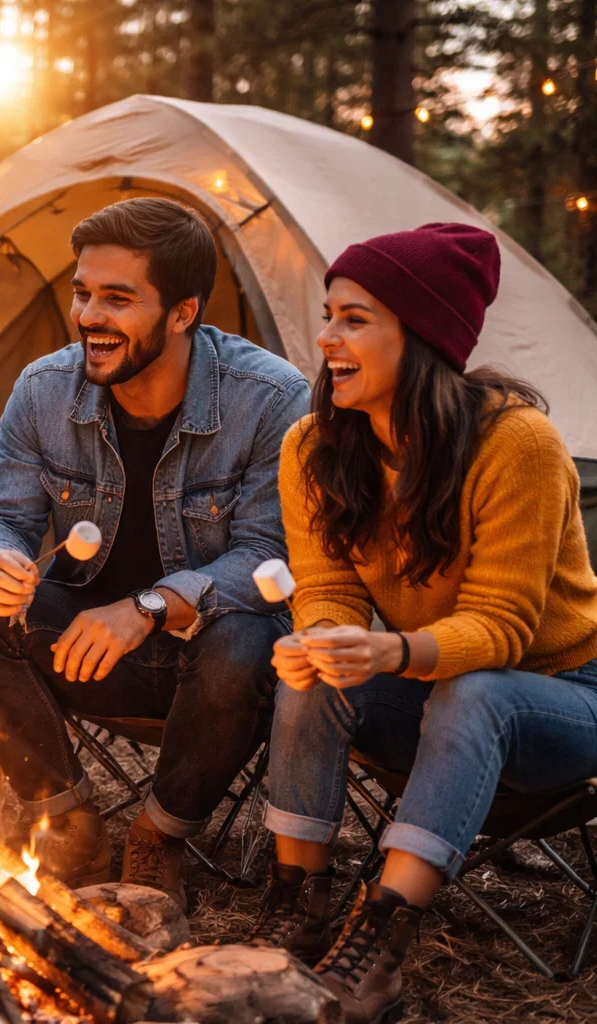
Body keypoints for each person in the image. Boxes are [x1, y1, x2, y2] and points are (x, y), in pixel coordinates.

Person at [246, 223, 597, 1024]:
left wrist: (392, 649)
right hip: (431, 685)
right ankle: (297, 898)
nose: (326, 338)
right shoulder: (314, 447)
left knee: (475, 692)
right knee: (314, 664)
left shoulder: (518, 446)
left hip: (562, 696)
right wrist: (327, 637)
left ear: (423, 335)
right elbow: (328, 587)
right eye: (328, 313)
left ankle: (379, 939)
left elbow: (503, 630)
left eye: (355, 318)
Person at [0, 198, 309, 905]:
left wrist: (145, 608)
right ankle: (68, 818)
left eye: (117, 298)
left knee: (246, 642)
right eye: (83, 293)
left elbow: (268, 561)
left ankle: (158, 835)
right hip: (83, 639)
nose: (89, 317)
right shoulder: (45, 389)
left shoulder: (271, 397)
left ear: (181, 312)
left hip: (212, 661)